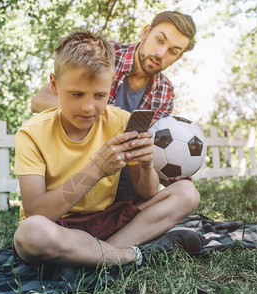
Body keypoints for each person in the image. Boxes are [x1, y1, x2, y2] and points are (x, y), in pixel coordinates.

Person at [13, 31, 201, 273]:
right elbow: (36, 213)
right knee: (30, 234)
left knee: (187, 192)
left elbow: (147, 192)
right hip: (58, 227)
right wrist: (96, 169)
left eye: (100, 96)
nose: (88, 107)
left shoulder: (121, 121)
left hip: (108, 221)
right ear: (54, 85)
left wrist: (145, 165)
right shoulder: (31, 134)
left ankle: (94, 256)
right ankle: (127, 256)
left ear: (109, 89)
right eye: (76, 94)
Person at [30, 11, 197, 202]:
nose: (161, 53)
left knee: (187, 192)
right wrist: (101, 115)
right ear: (146, 33)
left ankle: (123, 222)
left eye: (172, 51)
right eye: (159, 40)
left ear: (178, 57)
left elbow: (154, 150)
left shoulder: (165, 91)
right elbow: (38, 101)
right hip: (80, 171)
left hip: (129, 177)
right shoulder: (103, 55)